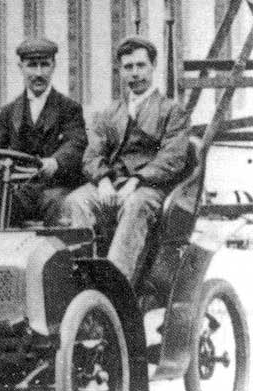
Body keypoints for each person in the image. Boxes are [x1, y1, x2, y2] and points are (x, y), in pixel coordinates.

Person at [64, 36, 190, 283]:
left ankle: (116, 285)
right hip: (113, 185)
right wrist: (102, 181)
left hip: (150, 189)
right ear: (120, 72)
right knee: (75, 201)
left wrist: (136, 182)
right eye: (128, 67)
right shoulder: (110, 113)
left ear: (153, 67)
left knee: (135, 205)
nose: (135, 73)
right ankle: (81, 279)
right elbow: (92, 155)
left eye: (141, 65)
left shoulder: (172, 111)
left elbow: (172, 158)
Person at [0, 37, 88, 227]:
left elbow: (75, 145)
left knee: (61, 212)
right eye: (32, 66)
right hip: (20, 190)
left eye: (45, 65)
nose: (39, 73)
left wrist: (55, 162)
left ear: (53, 66)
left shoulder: (69, 108)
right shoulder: (10, 111)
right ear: (21, 67)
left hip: (55, 189)